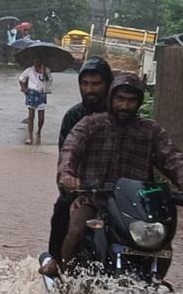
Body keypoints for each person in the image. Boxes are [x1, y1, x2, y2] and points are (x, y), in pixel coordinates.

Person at [43, 73, 183, 276]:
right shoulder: (91, 124)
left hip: (135, 207)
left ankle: (154, 288)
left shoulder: (151, 131)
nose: (125, 106)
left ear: (139, 102)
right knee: (75, 231)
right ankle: (65, 282)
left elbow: (173, 159)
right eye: (120, 99)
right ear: (111, 99)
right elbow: (70, 149)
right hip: (94, 199)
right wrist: (67, 174)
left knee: (163, 247)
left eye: (131, 100)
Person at [39, 57, 113, 276]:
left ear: (108, 84)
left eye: (96, 83)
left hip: (120, 188)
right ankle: (57, 261)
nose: (89, 89)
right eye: (85, 83)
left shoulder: (121, 112)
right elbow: (66, 153)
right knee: (62, 208)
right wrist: (69, 178)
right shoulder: (75, 116)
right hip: (84, 187)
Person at [19, 55, 52, 145]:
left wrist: (44, 73)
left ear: (41, 60)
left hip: (41, 94)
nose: (36, 61)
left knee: (41, 118)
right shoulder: (29, 70)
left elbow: (50, 81)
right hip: (32, 93)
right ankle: (30, 136)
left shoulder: (46, 70)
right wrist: (24, 89)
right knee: (31, 116)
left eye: (38, 59)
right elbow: (21, 79)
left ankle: (39, 131)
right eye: (35, 59)